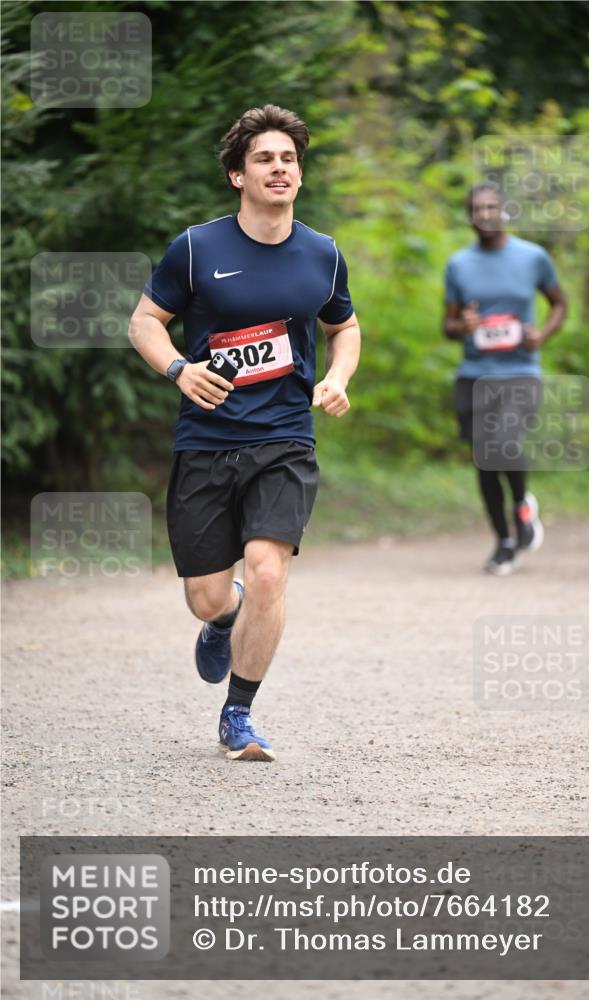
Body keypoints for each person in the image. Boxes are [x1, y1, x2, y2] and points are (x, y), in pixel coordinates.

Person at [129, 105, 360, 759]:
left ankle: (239, 714)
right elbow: (145, 320)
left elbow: (343, 326)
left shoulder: (323, 253)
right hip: (205, 442)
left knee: (266, 574)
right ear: (238, 175)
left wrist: (339, 376)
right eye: (264, 158)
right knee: (207, 599)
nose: (279, 167)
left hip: (285, 439)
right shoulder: (198, 248)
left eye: (288, 158)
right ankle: (222, 619)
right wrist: (178, 368)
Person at [443, 182, 567, 575]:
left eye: (492, 207)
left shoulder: (533, 257)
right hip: (474, 374)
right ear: (469, 216)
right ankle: (504, 541)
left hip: (520, 372)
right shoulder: (458, 265)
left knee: (504, 442)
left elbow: (560, 304)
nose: (485, 215)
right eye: (477, 209)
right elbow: (447, 325)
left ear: (505, 211)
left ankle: (521, 505)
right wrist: (463, 324)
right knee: (484, 461)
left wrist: (541, 334)